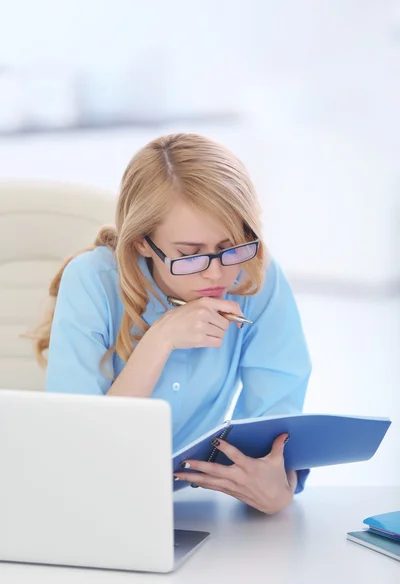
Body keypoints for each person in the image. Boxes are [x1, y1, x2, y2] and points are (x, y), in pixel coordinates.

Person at [31, 132, 312, 515]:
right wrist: (160, 339)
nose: (217, 273)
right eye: (190, 255)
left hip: (192, 506)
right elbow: (82, 444)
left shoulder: (253, 276)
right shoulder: (91, 282)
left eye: (230, 246)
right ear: (143, 243)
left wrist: (279, 490)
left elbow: (275, 423)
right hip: (92, 503)